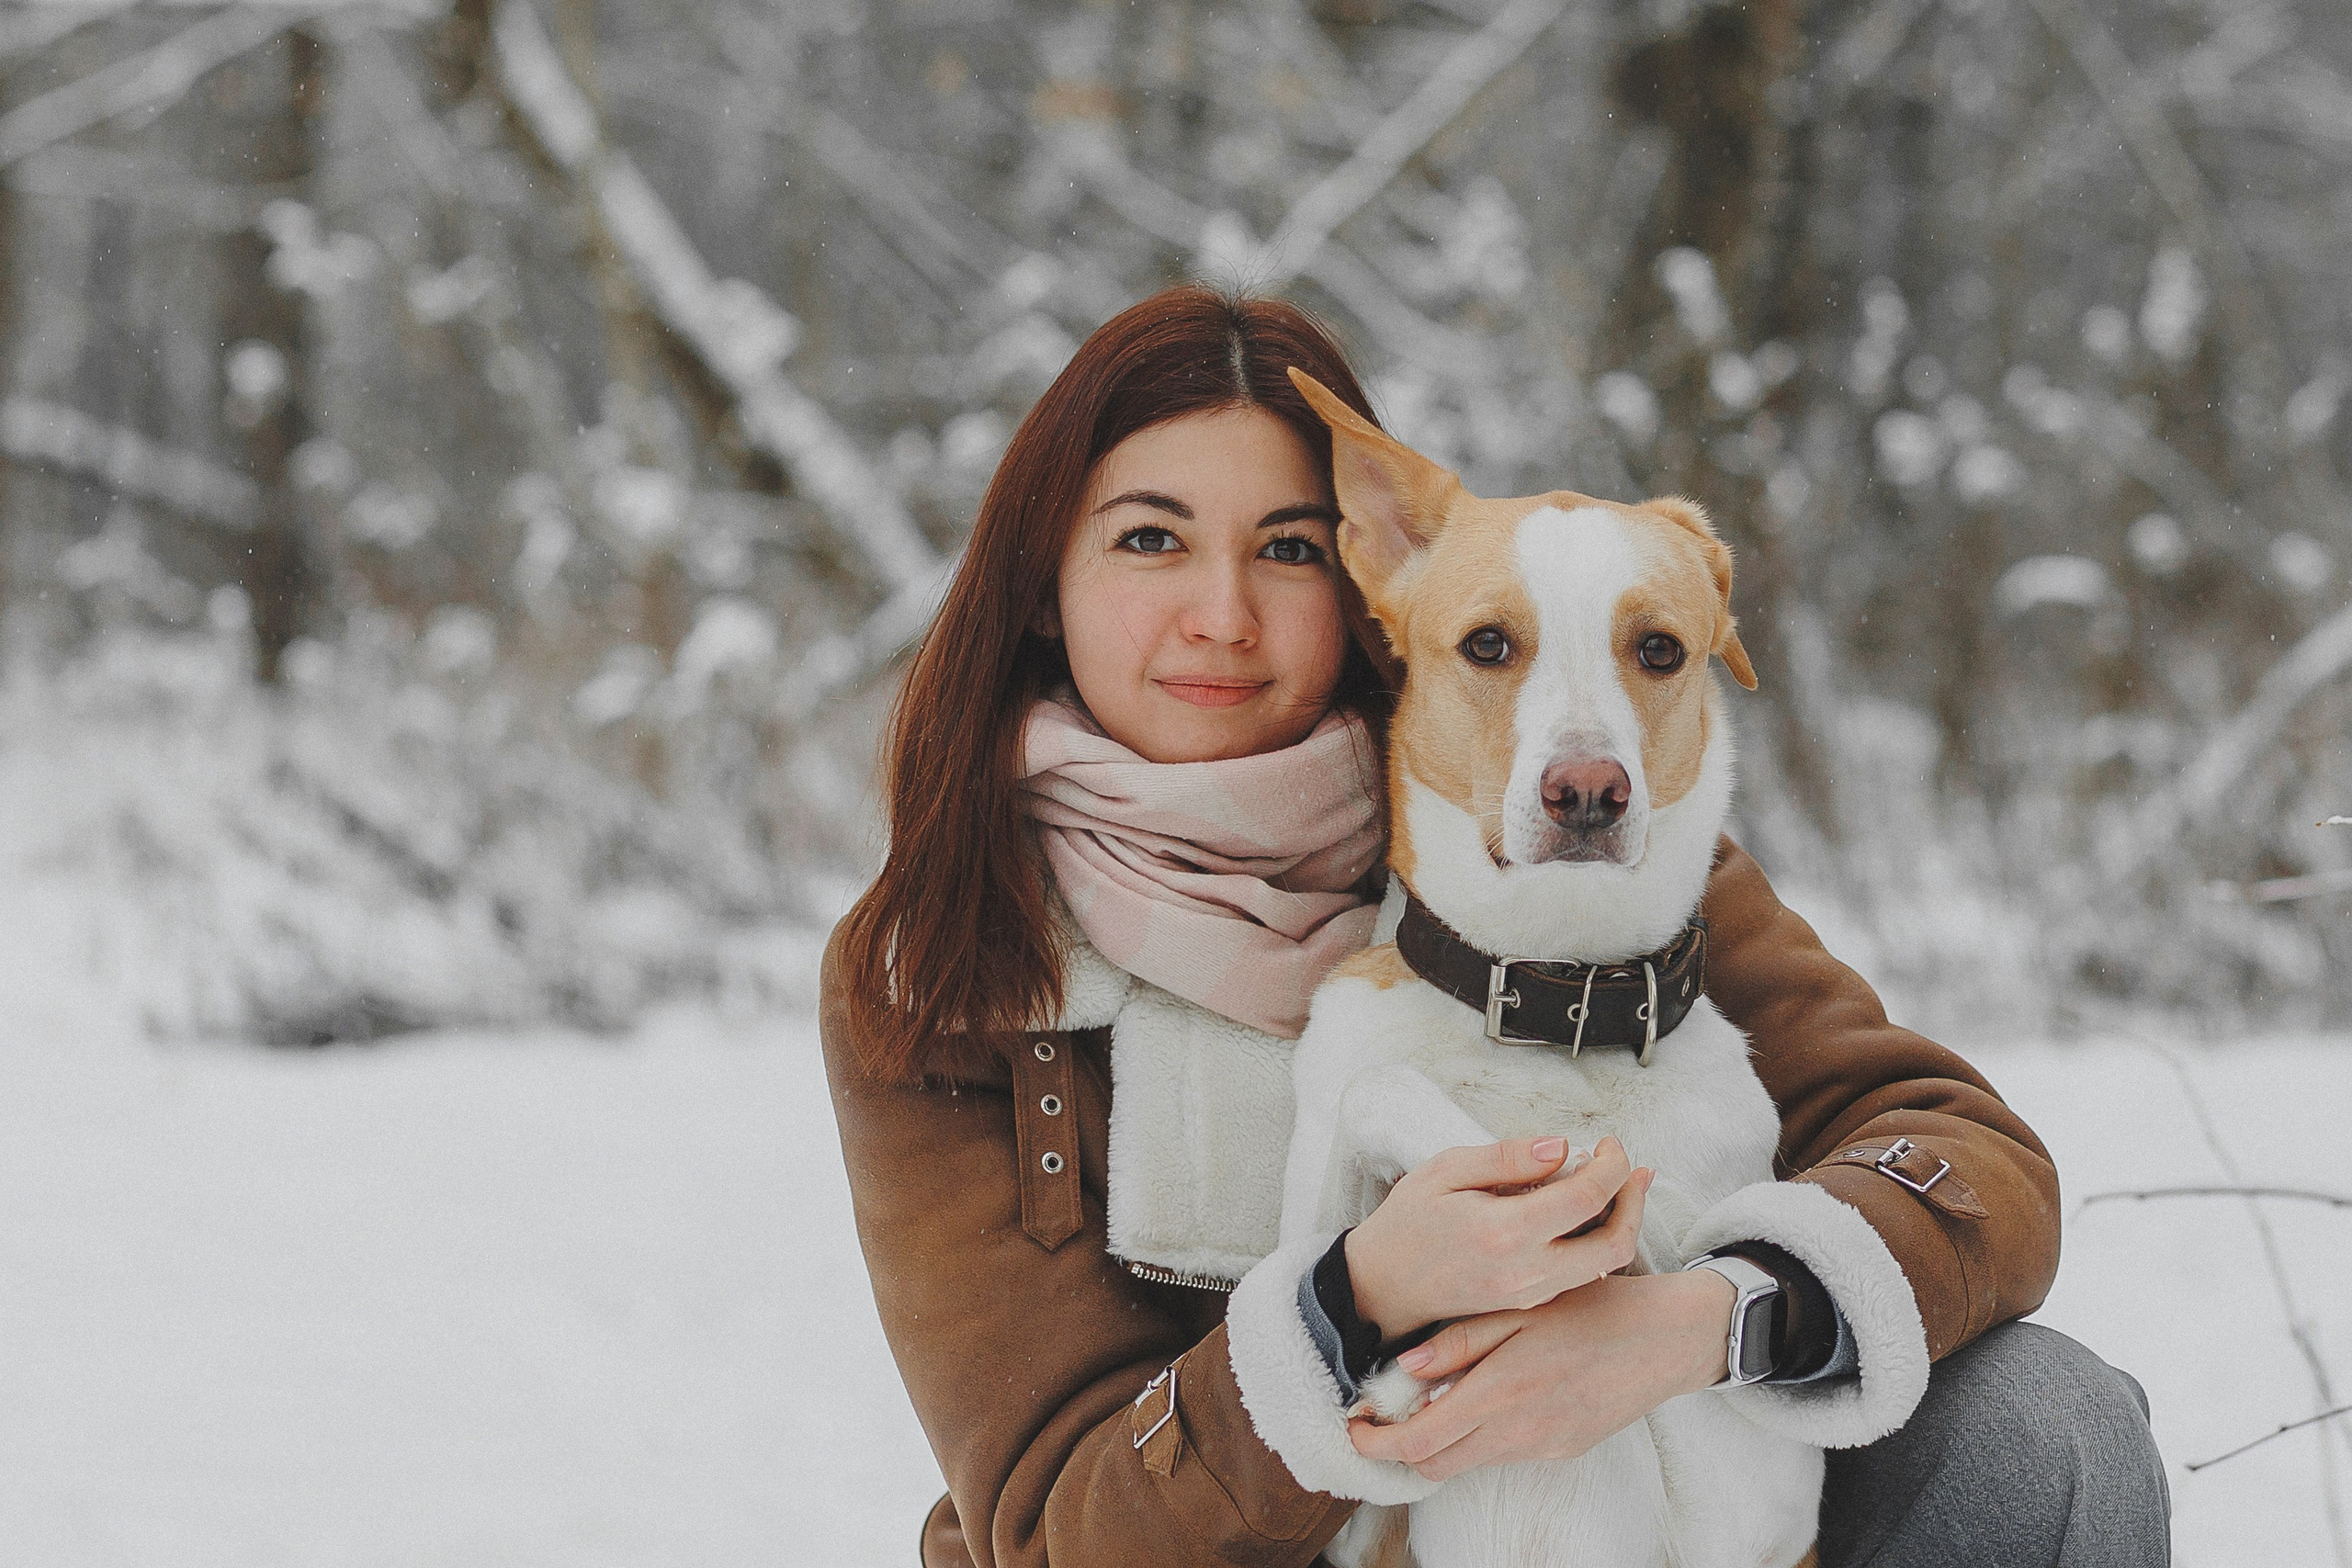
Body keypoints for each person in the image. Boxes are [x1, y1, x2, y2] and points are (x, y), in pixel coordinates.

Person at [822, 286, 2167, 1567]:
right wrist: (1360, 1302)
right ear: (1042, 580)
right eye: (1150, 539)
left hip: (1670, 1509)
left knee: (2047, 1424)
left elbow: (1967, 1160)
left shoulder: (1565, 842)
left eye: (1285, 547)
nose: (1221, 618)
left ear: (1363, 571)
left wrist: (1693, 1323)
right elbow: (1058, 1534)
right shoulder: (946, 960)